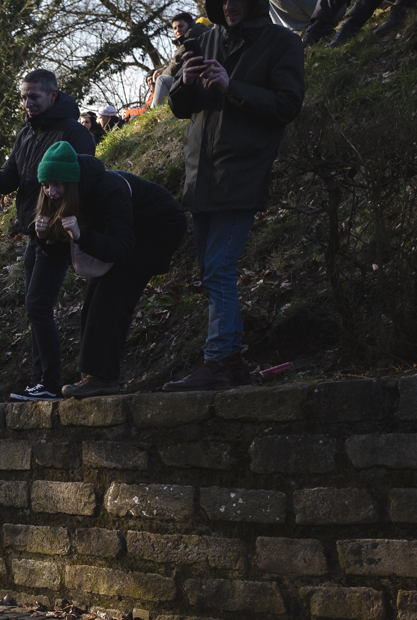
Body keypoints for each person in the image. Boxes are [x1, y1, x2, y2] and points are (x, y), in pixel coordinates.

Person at [164, 0, 305, 391]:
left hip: (241, 173)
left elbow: (288, 104)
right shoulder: (206, 39)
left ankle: (222, 360)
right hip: (200, 175)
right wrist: (185, 82)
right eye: (222, 0)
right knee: (210, 274)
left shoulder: (282, 42)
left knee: (220, 269)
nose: (229, 6)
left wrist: (232, 87)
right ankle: (230, 362)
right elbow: (180, 108)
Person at [27, 143, 187, 398]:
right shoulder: (61, 198)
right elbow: (59, 253)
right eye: (46, 185)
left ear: (71, 181)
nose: (51, 192)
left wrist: (82, 236)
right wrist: (44, 237)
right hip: (127, 233)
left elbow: (121, 247)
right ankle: (92, 375)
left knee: (112, 295)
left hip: (158, 227)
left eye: (57, 184)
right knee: (92, 300)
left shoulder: (108, 189)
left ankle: (102, 377)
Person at [0, 68, 96, 400]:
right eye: (23, 97)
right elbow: (10, 180)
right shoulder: (25, 134)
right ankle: (38, 381)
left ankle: (50, 382)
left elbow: (84, 183)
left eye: (33, 96)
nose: (27, 103)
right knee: (35, 308)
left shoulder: (73, 133)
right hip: (34, 231)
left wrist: (57, 221)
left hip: (58, 232)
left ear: (53, 95)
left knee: (38, 305)